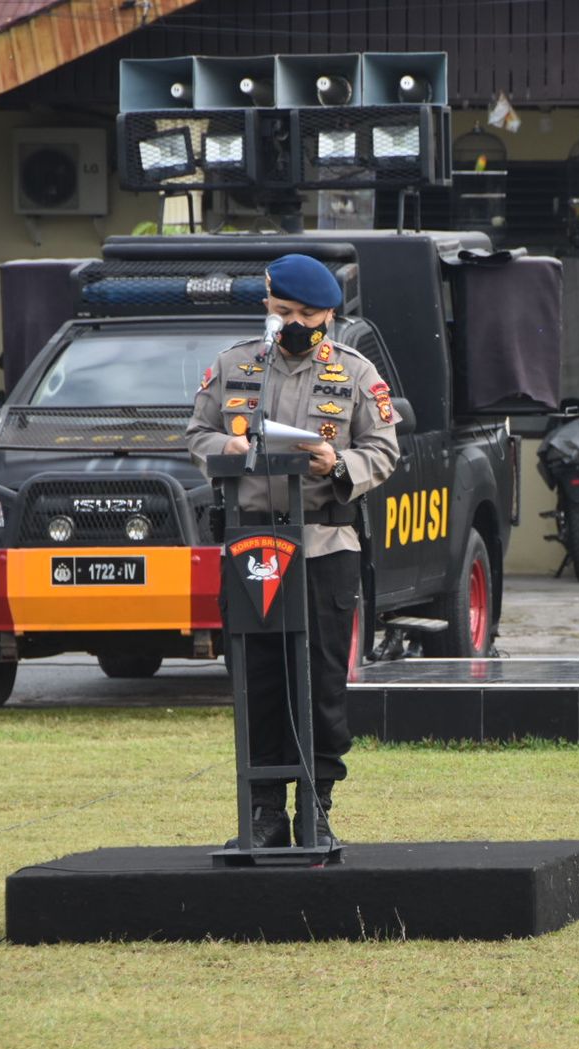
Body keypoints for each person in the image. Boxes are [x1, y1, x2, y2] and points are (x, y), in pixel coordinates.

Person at [187, 253, 400, 847]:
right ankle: (264, 811)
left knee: (321, 679)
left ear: (329, 316)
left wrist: (341, 463)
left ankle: (317, 805)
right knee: (255, 676)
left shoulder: (356, 374)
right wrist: (227, 453)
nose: (293, 324)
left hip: (324, 544)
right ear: (267, 306)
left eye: (306, 314)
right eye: (283, 311)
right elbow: (196, 434)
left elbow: (384, 450)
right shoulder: (234, 366)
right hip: (251, 542)